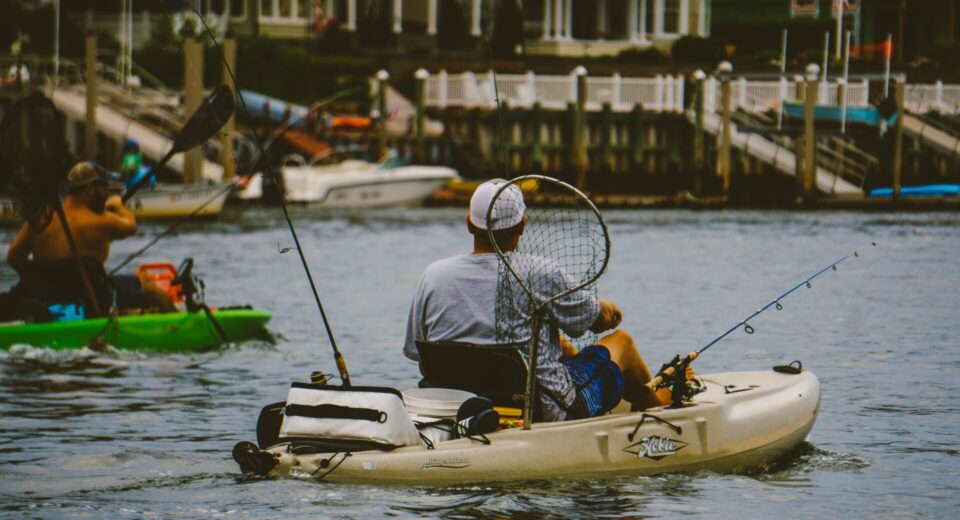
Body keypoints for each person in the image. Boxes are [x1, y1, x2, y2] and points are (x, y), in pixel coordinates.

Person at [403, 179, 676, 423]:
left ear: (468, 224)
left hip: (451, 410)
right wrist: (609, 310)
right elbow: (597, 321)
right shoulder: (539, 272)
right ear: (522, 225)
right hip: (542, 411)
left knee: (558, 344)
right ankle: (658, 405)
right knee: (622, 343)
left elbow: (422, 359)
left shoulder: (434, 275)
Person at [6, 161, 176, 314]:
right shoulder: (99, 220)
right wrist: (118, 205)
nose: (107, 192)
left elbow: (13, 257)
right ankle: (180, 322)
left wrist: (40, 280)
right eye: (104, 187)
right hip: (93, 297)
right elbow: (130, 226)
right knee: (146, 284)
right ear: (89, 190)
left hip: (48, 297)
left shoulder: (40, 220)